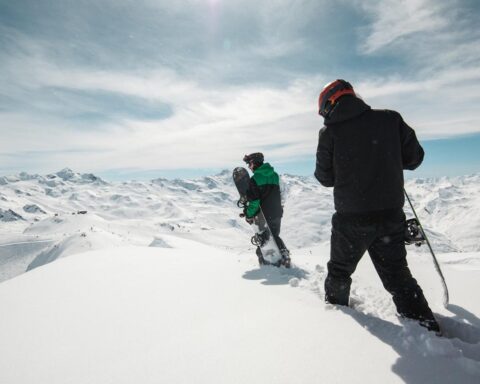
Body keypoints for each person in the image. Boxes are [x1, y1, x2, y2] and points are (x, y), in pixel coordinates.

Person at [314, 79, 440, 333]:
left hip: (350, 219)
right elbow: (415, 158)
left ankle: (335, 325)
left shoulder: (329, 133)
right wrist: (385, 157)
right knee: (397, 275)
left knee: (340, 272)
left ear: (330, 103)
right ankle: (425, 327)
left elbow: (324, 177)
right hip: (390, 215)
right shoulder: (390, 119)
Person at [242, 152, 291, 268]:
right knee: (274, 236)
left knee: (265, 241)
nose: (249, 167)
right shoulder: (275, 175)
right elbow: (280, 194)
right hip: (277, 213)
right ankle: (284, 256)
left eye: (249, 164)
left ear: (253, 163)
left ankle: (267, 266)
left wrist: (248, 214)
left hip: (264, 215)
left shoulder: (255, 179)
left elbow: (254, 202)